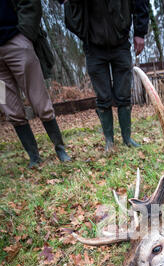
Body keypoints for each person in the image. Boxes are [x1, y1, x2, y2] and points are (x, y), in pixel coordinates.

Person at [61, 0, 149, 151]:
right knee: (103, 97)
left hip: (120, 42)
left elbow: (141, 2)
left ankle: (127, 139)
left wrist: (140, 31)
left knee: (124, 94)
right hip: (93, 45)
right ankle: (109, 141)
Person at [0, 0, 70, 168]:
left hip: (15, 42)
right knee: (8, 106)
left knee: (39, 99)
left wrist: (25, 34)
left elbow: (29, 3)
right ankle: (34, 156)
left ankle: (60, 148)